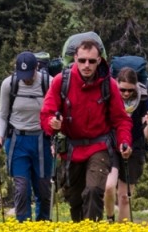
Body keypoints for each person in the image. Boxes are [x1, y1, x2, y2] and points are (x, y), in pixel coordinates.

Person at [41, 40, 132, 221]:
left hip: (100, 146)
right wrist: (52, 123)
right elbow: (46, 114)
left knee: (93, 191)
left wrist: (124, 141)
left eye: (91, 61)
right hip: (71, 149)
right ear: (75, 58)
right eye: (82, 60)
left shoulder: (109, 85)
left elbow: (121, 119)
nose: (87, 65)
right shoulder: (61, 81)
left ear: (99, 60)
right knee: (75, 200)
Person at [0, 51, 52, 222]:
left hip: (42, 140)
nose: (26, 79)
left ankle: (43, 224)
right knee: (22, 188)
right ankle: (23, 225)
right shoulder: (9, 84)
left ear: (37, 67)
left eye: (30, 75)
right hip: (17, 141)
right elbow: (2, 115)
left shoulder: (49, 83)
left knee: (43, 189)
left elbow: (57, 112)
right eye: (22, 75)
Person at [105, 67, 148, 222]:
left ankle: (123, 231)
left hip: (134, 148)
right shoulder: (109, 96)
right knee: (109, 187)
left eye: (130, 90)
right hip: (111, 146)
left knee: (125, 196)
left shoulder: (143, 98)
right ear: (116, 84)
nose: (126, 93)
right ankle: (110, 219)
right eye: (122, 90)